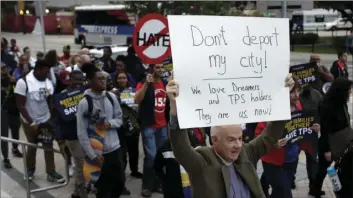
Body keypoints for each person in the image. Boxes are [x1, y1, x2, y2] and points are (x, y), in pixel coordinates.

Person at [166, 73, 294, 198]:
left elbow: (270, 135)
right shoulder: (202, 161)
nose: (238, 145)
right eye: (231, 140)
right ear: (214, 140)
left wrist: (283, 96)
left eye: (240, 138)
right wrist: (175, 109)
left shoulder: (247, 152)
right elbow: (180, 146)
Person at [77, 63, 125, 198]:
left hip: (115, 149)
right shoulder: (84, 103)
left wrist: (109, 124)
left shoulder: (112, 97)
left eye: (104, 78)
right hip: (97, 153)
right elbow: (81, 133)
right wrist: (92, 155)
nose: (103, 80)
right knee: (102, 189)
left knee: (120, 182)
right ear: (91, 82)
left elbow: (120, 119)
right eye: (99, 78)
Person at [14, 59, 65, 183]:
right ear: (37, 69)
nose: (46, 74)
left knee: (48, 145)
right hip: (29, 120)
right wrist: (32, 122)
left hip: (45, 119)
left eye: (48, 72)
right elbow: (20, 105)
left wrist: (51, 118)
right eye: (45, 71)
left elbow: (50, 100)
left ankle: (51, 172)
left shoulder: (47, 82)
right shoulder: (23, 82)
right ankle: (30, 170)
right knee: (32, 146)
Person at [312, 77, 353, 198]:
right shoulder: (326, 106)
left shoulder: (342, 102)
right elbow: (325, 130)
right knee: (323, 169)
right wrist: (327, 150)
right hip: (330, 144)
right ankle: (315, 190)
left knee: (344, 168)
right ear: (341, 90)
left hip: (344, 142)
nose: (350, 92)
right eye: (349, 90)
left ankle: (342, 190)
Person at [135, 63, 169, 197]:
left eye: (162, 67)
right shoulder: (143, 82)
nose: (160, 70)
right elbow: (137, 100)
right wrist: (146, 85)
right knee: (151, 156)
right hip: (149, 126)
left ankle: (157, 183)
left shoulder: (166, 83)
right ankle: (147, 186)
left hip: (163, 126)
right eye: (157, 67)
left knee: (160, 157)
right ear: (151, 69)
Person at [54, 70, 87, 198]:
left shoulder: (86, 93)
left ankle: (77, 191)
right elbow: (56, 118)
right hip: (72, 135)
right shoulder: (62, 96)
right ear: (70, 80)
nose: (79, 83)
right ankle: (81, 191)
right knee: (80, 163)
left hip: (85, 133)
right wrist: (59, 137)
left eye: (81, 81)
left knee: (82, 163)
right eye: (76, 80)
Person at [154, 129, 204, 198]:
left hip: (192, 188)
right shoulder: (165, 147)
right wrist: (165, 182)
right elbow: (157, 167)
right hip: (173, 190)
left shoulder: (194, 143)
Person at [1, 62, 23, 169]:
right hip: (3, 111)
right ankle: (5, 158)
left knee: (16, 131)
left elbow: (17, 93)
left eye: (5, 68)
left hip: (14, 109)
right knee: (4, 136)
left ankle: (15, 148)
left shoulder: (13, 80)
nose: (4, 70)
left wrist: (15, 82)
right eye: (2, 69)